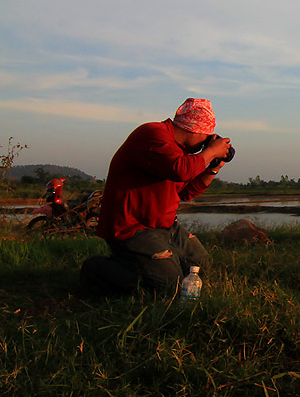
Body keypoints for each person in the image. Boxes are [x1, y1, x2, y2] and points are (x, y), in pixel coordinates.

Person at [82, 98, 234, 295]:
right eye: (207, 136)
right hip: (132, 229)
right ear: (196, 129)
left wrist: (212, 169)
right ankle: (98, 270)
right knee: (168, 287)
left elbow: (185, 191)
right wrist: (211, 151)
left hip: (166, 227)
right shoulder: (152, 134)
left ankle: (146, 265)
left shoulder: (180, 152)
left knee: (202, 267)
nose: (207, 142)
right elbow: (181, 170)